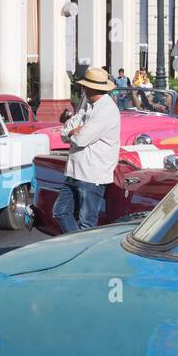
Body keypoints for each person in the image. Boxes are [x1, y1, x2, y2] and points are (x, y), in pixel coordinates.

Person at [53, 67, 120, 233]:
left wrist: (72, 132)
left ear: (91, 88)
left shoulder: (106, 109)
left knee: (87, 223)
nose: (83, 89)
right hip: (75, 170)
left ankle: (79, 251)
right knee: (60, 211)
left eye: (85, 86)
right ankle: (76, 247)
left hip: (92, 173)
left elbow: (81, 139)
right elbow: (67, 129)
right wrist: (71, 132)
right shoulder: (89, 106)